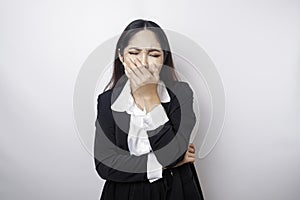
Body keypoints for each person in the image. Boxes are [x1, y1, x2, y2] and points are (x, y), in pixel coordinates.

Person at [94, 19, 204, 200]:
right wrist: (162, 164)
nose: (143, 62)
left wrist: (150, 97)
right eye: (134, 52)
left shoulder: (181, 93)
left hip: (176, 190)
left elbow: (173, 153)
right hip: (123, 193)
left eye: (153, 54)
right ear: (121, 56)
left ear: (163, 59)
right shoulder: (106, 101)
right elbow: (105, 165)